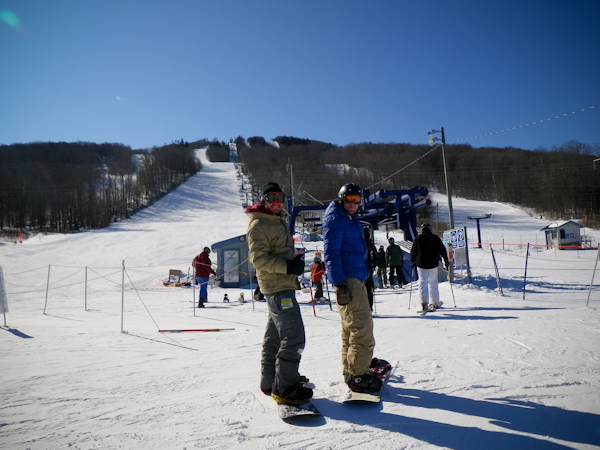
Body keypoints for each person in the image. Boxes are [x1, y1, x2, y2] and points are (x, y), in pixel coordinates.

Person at [246, 182, 312, 405]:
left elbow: (276, 252)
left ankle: (271, 380)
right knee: (293, 336)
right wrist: (287, 267)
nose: (277, 202)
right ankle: (286, 388)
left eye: (280, 197)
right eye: (272, 197)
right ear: (263, 199)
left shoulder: (275, 221)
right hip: (277, 286)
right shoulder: (258, 225)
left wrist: (293, 260)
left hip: (281, 284)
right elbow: (259, 259)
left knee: (274, 336)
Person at [323, 183, 382, 393]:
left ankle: (350, 368)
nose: (353, 204)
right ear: (341, 199)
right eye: (349, 200)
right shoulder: (336, 220)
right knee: (361, 327)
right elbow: (330, 253)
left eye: (357, 200)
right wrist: (339, 282)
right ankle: (358, 375)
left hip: (356, 277)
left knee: (350, 327)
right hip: (348, 279)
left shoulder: (349, 219)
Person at [410, 223, 450, 312]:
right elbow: (442, 250)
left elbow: (413, 251)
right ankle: (435, 301)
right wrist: (446, 261)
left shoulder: (418, 238)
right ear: (429, 229)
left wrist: (412, 261)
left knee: (422, 282)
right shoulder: (435, 238)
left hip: (421, 263)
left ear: (422, 229)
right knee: (433, 282)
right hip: (433, 263)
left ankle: (424, 303)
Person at [363, 228, 376, 311]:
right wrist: (374, 265)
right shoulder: (370, 244)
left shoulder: (360, 243)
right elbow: (376, 256)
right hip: (369, 267)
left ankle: (362, 308)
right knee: (369, 288)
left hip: (360, 268)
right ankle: (369, 307)